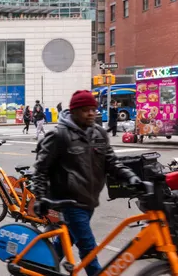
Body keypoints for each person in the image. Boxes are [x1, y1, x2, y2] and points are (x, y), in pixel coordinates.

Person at [31, 90, 141, 276]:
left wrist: (131, 177)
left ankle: (41, 268)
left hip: (89, 200)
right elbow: (41, 168)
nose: (91, 113)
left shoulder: (99, 134)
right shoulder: (59, 136)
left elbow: (111, 162)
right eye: (85, 110)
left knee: (67, 242)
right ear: (74, 111)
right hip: (69, 201)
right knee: (88, 249)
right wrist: (40, 197)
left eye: (93, 109)